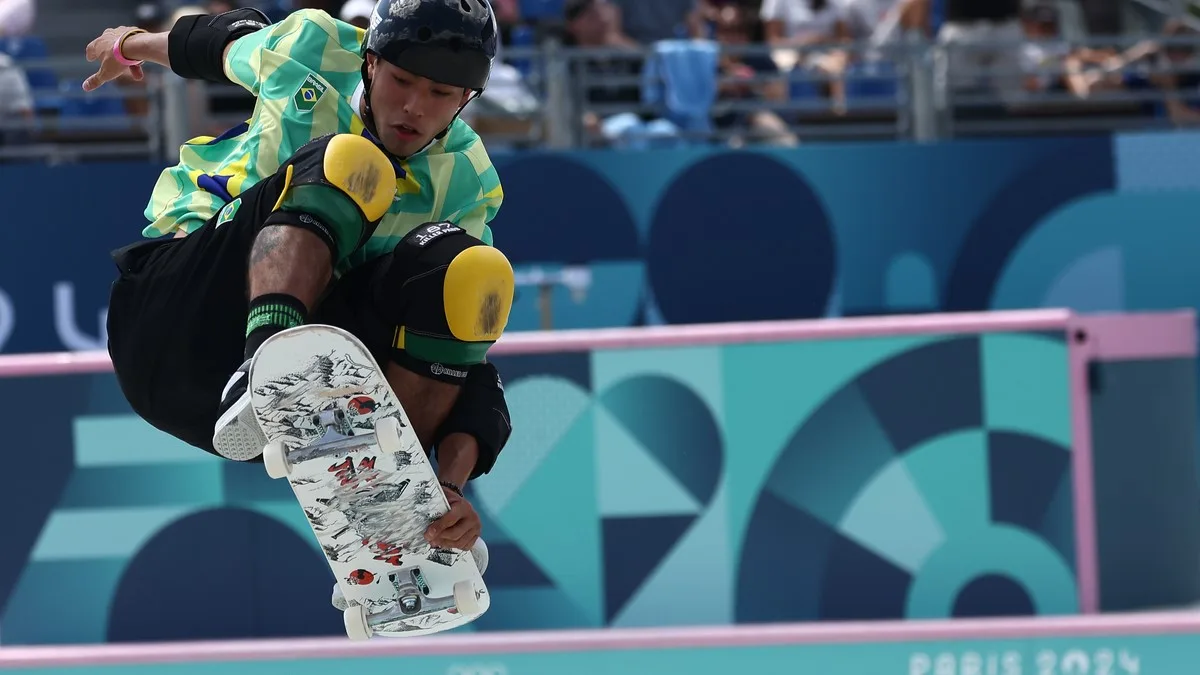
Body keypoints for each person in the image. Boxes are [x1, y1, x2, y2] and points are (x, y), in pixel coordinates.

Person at [82, 0, 515, 563]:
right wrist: (127, 43)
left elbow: (461, 352)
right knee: (353, 161)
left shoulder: (468, 181)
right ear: (370, 62)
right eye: (401, 81)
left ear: (466, 99)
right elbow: (213, 44)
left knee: (473, 273)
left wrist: (452, 485)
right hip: (174, 312)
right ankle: (267, 366)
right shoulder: (312, 48)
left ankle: (396, 510)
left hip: (294, 372)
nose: (413, 108)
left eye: (440, 95)